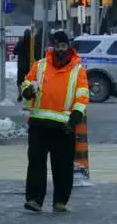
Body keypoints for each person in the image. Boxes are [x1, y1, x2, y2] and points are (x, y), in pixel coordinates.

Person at [19, 30, 90, 213]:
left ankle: (60, 201)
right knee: (36, 163)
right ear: (52, 47)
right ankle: (34, 199)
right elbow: (27, 83)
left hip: (64, 126)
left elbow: (82, 97)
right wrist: (27, 91)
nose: (61, 50)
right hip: (39, 123)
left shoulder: (78, 70)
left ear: (69, 47)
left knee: (63, 166)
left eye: (64, 46)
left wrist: (74, 119)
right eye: (58, 46)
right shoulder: (40, 66)